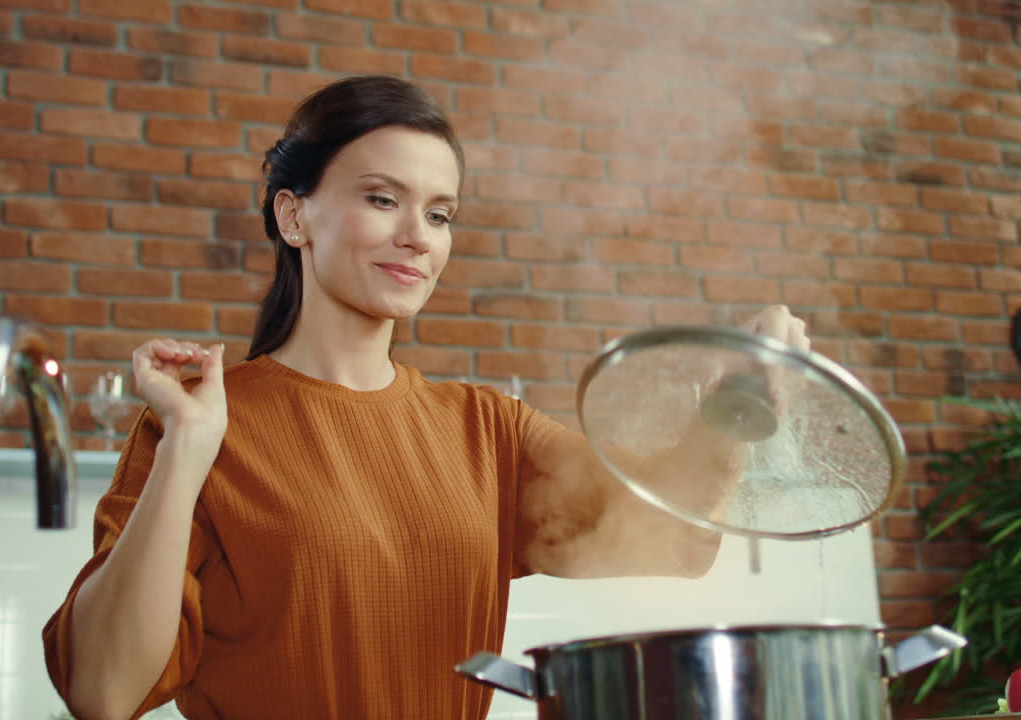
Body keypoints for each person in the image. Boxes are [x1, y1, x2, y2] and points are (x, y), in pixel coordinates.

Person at [42, 75, 810, 720]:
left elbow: (664, 530)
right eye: (382, 199)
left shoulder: (488, 432)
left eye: (440, 214)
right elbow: (104, 690)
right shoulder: (202, 424)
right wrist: (187, 449)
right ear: (293, 215)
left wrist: (736, 402)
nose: (419, 236)